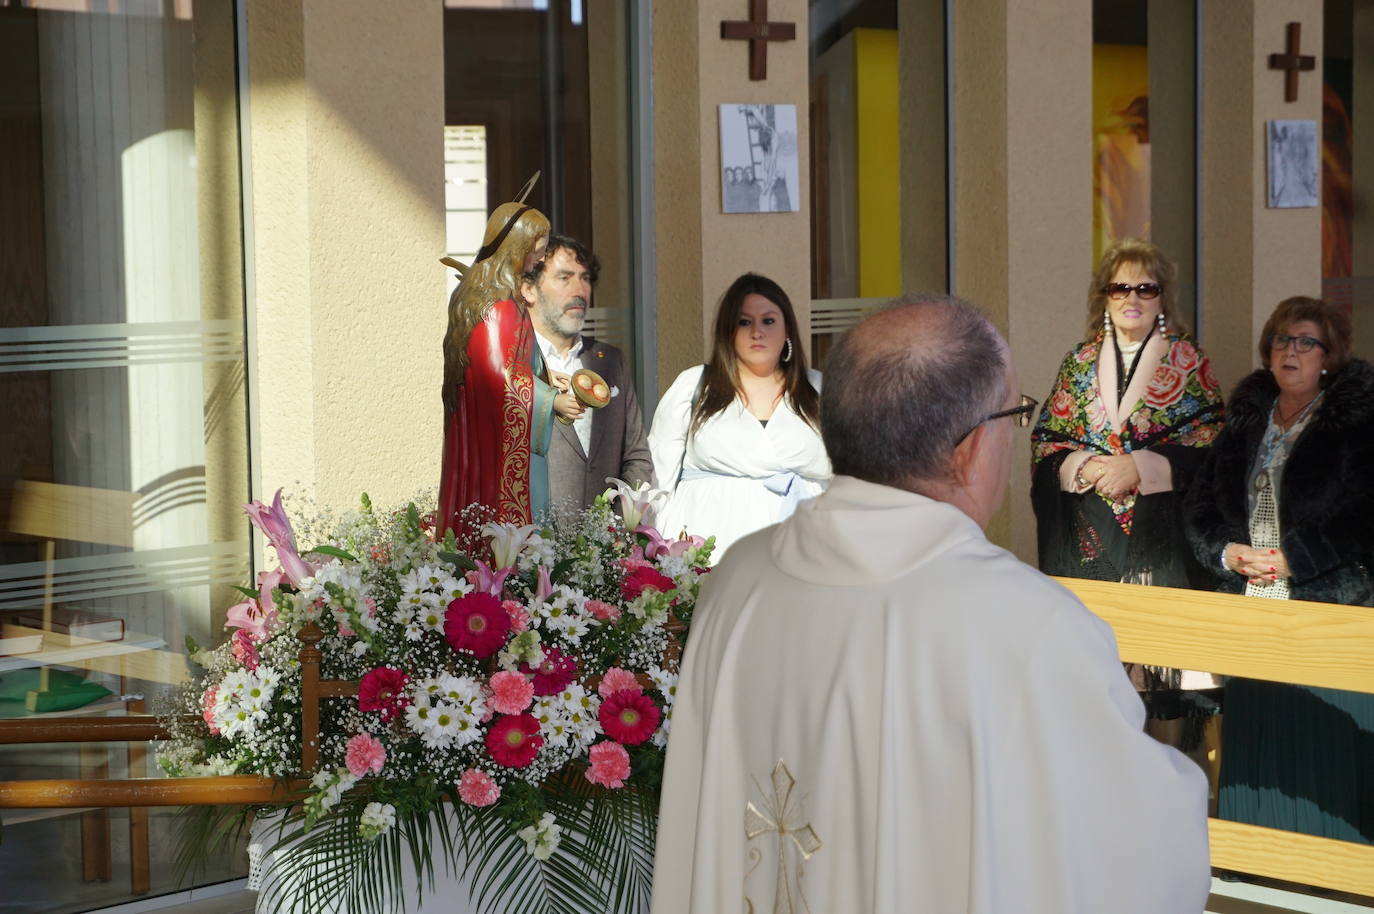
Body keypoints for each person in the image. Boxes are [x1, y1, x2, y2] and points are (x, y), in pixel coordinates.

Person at [651, 294, 1210, 914]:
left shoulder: (739, 581)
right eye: (1016, 416)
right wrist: (1183, 789)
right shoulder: (1030, 624)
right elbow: (1140, 854)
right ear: (968, 447)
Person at [1185, 296, 1374, 844]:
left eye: (1306, 342)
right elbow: (1199, 508)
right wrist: (1228, 554)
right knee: (1262, 733)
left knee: (1322, 741)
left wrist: (1299, 557)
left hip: (1328, 608)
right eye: (1281, 340)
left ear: (1329, 357)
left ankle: (1332, 870)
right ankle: (1259, 862)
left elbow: (1366, 516)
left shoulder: (1358, 423)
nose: (1291, 351)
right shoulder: (1246, 420)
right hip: (1253, 605)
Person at [1030, 239, 1224, 742]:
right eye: (1121, 287)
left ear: (1163, 297)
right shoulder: (1078, 361)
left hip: (1161, 551)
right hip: (1090, 544)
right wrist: (1084, 465)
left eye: (1145, 287)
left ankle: (1171, 785)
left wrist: (1142, 467)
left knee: (1165, 673)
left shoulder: (1186, 360)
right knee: (1100, 680)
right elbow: (1046, 440)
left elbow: (1210, 442)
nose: (1131, 297)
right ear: (1104, 295)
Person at [647, 273, 829, 558]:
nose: (757, 332)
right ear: (728, 330)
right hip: (709, 552)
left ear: (788, 330)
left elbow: (848, 477)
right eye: (744, 322)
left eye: (768, 321)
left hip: (805, 551)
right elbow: (658, 476)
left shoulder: (820, 390)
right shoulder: (694, 386)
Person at [437, 199, 578, 534]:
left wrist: (543, 373)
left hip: (481, 438)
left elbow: (509, 359)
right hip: (499, 453)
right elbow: (498, 376)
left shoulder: (485, 295)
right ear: (516, 248)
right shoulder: (499, 306)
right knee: (512, 541)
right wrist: (549, 400)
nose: (541, 257)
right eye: (538, 249)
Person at [520, 234, 654, 510]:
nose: (580, 290)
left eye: (585, 278)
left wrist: (618, 525)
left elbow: (636, 456)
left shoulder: (611, 360)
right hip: (530, 543)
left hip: (605, 544)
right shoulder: (512, 364)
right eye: (565, 278)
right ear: (529, 289)